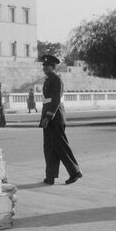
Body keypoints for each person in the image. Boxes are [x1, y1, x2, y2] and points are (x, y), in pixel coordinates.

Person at [39, 55, 83, 185]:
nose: (44, 68)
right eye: (44, 66)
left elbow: (56, 100)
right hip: (48, 117)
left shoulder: (57, 80)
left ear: (53, 67)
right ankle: (50, 176)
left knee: (61, 147)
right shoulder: (48, 80)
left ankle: (75, 172)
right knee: (49, 148)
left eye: (47, 66)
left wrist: (48, 117)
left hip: (55, 118)